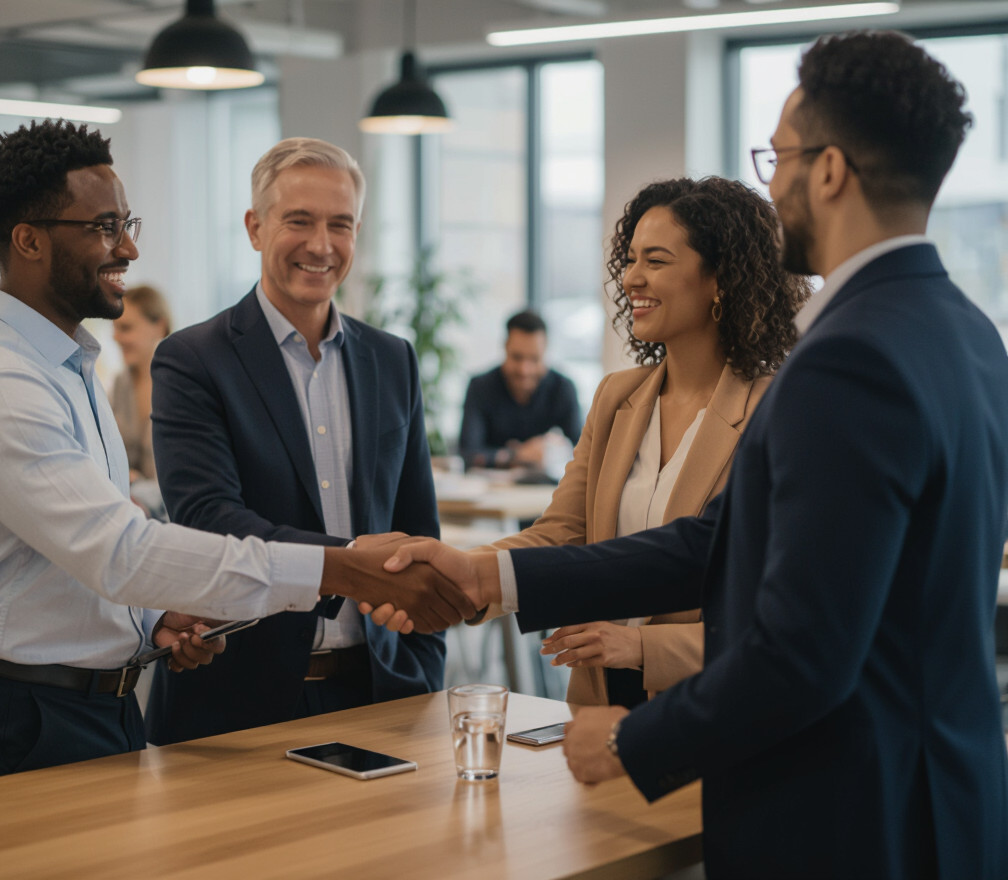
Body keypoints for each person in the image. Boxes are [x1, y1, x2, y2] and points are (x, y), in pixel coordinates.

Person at [373, 31, 1008, 880]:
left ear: (828, 171)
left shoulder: (848, 359)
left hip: (850, 816)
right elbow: (721, 543)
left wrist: (634, 739)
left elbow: (802, 654)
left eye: (778, 158)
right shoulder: (968, 334)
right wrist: (489, 576)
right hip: (945, 802)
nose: (771, 184)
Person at [0, 119, 473, 786]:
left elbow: (88, 553)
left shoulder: (67, 368)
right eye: (105, 227)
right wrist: (345, 569)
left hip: (100, 699)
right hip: (29, 713)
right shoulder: (3, 385)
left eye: (128, 224)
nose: (129, 247)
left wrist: (154, 618)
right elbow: (123, 551)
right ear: (29, 240)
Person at [144, 138, 444, 745]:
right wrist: (352, 563)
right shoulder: (193, 360)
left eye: (340, 224)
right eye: (299, 221)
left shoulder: (393, 360)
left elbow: (417, 529)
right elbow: (210, 520)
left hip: (380, 692)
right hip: (237, 703)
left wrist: (423, 663)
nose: (321, 245)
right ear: (255, 228)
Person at [482, 178, 808, 709]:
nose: (631, 277)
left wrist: (643, 647)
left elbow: (774, 610)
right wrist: (458, 577)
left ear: (720, 279)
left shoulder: (776, 411)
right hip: (600, 703)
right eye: (630, 259)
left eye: (655, 261)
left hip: (709, 712)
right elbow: (562, 534)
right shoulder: (617, 397)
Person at [458, 310, 581, 471]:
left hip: (549, 486)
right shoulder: (479, 387)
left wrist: (555, 450)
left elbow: (581, 452)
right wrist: (517, 455)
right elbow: (468, 453)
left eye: (534, 359)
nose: (524, 370)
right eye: (517, 357)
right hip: (490, 486)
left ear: (545, 352)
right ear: (505, 347)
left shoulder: (563, 389)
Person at [110, 284, 171, 518]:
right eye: (115, 328)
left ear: (159, 327)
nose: (116, 338)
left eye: (125, 328)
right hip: (133, 511)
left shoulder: (182, 384)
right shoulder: (120, 385)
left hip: (171, 514)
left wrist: (138, 485)